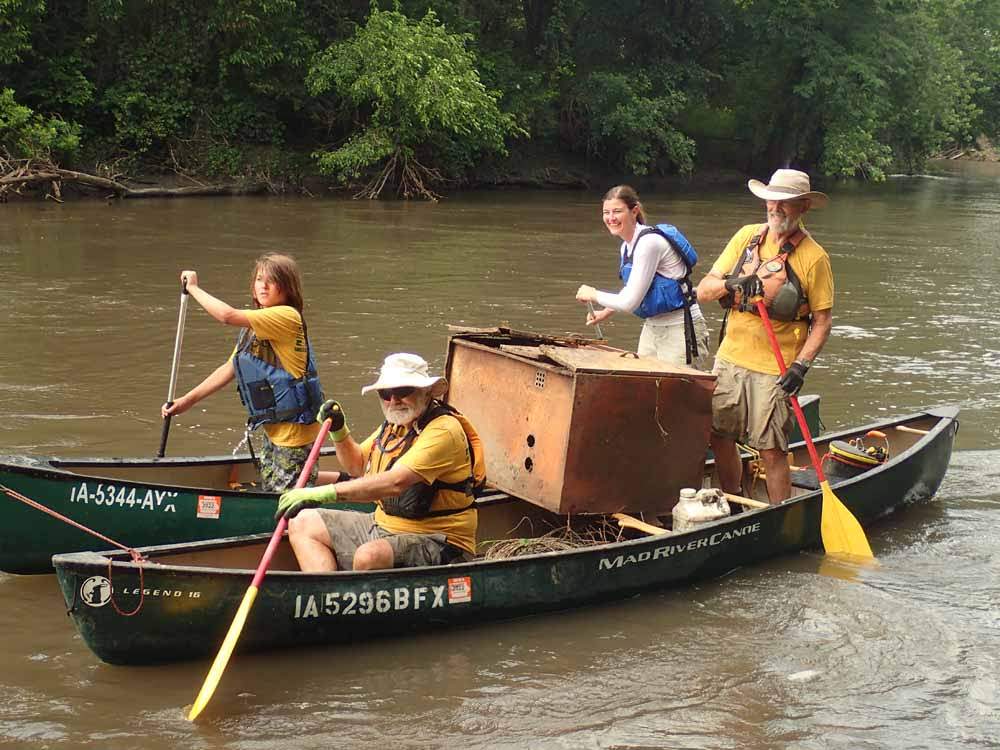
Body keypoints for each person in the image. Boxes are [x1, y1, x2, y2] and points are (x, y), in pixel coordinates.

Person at [695, 169, 834, 503]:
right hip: (730, 360)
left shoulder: (815, 258)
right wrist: (732, 284)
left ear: (803, 207)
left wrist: (800, 367)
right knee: (720, 438)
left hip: (776, 368)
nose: (776, 208)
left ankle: (777, 513)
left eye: (786, 203)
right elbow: (703, 290)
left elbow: (823, 322)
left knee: (771, 450)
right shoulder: (746, 238)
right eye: (773, 201)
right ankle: (732, 502)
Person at [275, 352, 485, 572]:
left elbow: (395, 482)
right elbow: (356, 465)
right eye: (386, 393)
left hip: (439, 538)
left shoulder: (443, 430)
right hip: (383, 524)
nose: (393, 400)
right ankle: (327, 596)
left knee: (368, 556)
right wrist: (339, 431)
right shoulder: (395, 425)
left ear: (426, 392)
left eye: (403, 391)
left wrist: (322, 493)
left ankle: (351, 597)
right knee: (301, 522)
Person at [161, 253, 324, 491]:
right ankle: (331, 480)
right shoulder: (254, 326)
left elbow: (226, 316)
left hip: (295, 435)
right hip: (274, 430)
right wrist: (186, 401)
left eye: (272, 280)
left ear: (287, 288)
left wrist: (193, 288)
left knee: (287, 503)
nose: (264, 286)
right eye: (259, 279)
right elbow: (230, 368)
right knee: (273, 487)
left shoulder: (287, 316)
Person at [575, 184, 712, 370]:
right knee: (644, 388)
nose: (611, 218)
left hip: (681, 328)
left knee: (677, 395)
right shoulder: (626, 247)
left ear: (634, 211)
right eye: (606, 212)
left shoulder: (649, 243)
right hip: (652, 327)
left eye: (617, 211)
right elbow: (635, 287)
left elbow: (629, 302)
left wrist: (594, 294)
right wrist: (605, 312)